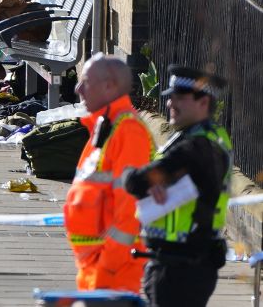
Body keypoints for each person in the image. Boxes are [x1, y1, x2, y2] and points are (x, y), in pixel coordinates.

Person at [123, 65, 231, 307]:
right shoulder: (207, 137)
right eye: (170, 98)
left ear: (203, 102)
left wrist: (136, 176)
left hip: (180, 268)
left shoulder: (196, 147)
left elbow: (135, 181)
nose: (171, 104)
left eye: (180, 98)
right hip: (185, 262)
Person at [64, 53, 153, 292]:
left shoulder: (128, 131)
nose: (78, 88)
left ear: (109, 86)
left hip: (112, 271)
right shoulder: (105, 127)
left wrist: (108, 266)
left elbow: (129, 210)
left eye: (86, 82)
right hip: (94, 267)